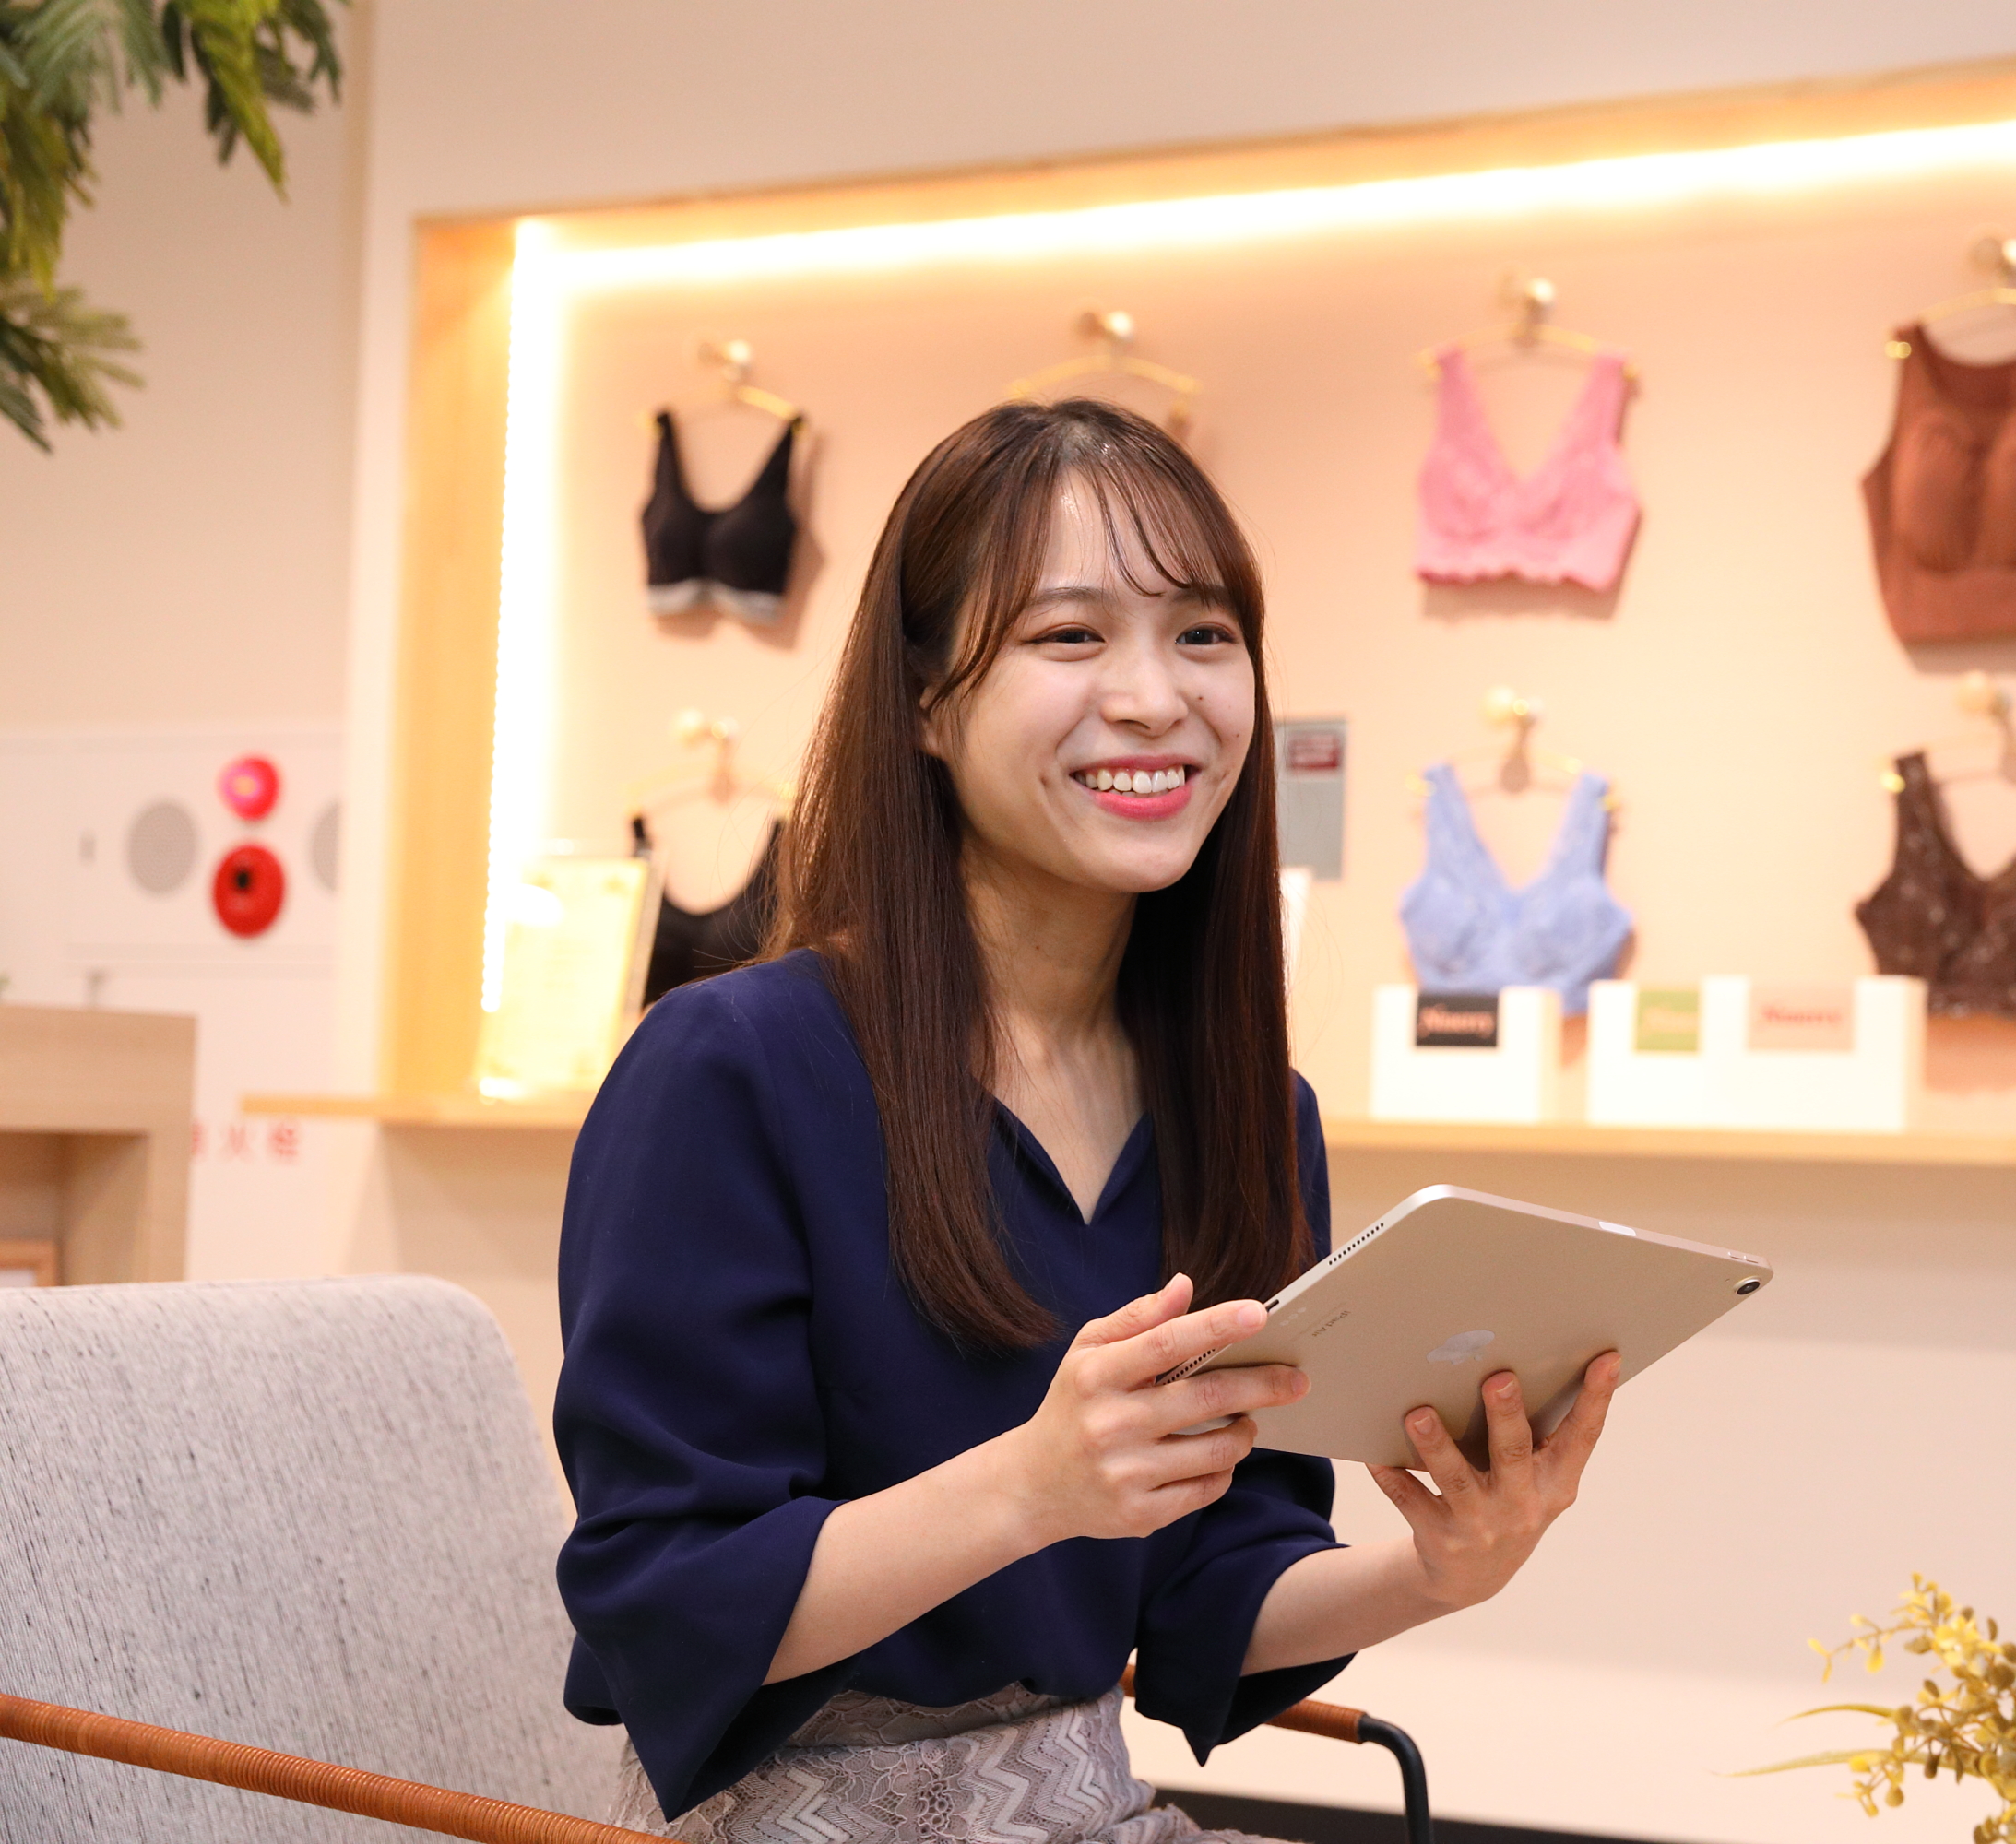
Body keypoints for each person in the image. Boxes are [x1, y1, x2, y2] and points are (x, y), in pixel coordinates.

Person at [553, 398, 1621, 1842]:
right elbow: (664, 1601)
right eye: (1071, 635)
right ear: (924, 703)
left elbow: (1212, 1580)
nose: (1155, 697)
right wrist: (1030, 1487)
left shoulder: (1249, 1111)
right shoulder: (727, 1070)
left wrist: (1445, 1570)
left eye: (1202, 634)